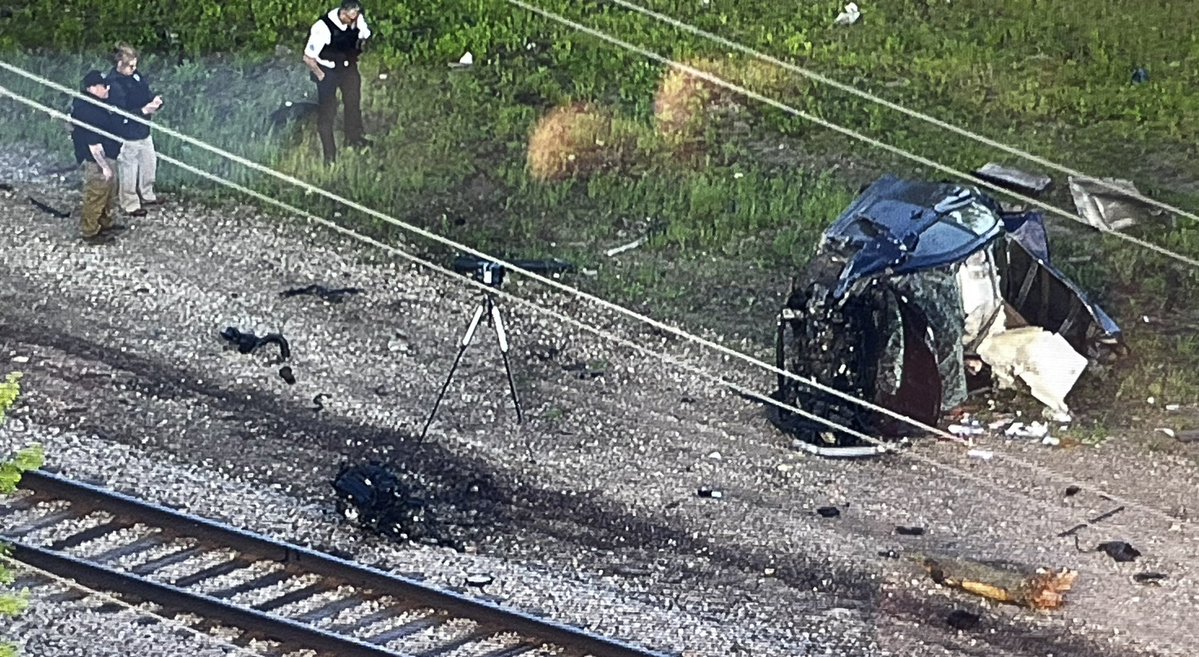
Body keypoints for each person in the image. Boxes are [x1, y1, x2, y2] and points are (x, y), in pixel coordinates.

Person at [303, 0, 372, 163]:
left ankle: (353, 138)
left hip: (348, 68)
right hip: (328, 70)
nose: (355, 21)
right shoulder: (322, 28)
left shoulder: (356, 20)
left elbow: (364, 35)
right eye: (351, 18)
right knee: (328, 111)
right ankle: (329, 155)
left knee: (353, 103)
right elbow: (308, 58)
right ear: (343, 14)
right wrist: (321, 76)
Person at [106, 43, 164, 217]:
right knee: (128, 167)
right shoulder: (114, 84)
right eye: (130, 66)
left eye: (135, 65)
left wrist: (154, 100)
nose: (134, 69)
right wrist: (143, 111)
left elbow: (145, 92)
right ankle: (129, 202)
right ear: (119, 65)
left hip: (143, 128)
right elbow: (120, 113)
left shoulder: (136, 76)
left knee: (149, 162)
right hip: (127, 132)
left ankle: (147, 193)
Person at [69, 70, 123, 243]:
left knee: (109, 192)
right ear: (92, 88)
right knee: (97, 193)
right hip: (97, 160)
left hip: (109, 153)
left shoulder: (96, 103)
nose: (107, 89)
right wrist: (105, 167)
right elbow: (94, 144)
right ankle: (90, 231)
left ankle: (105, 222)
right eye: (103, 86)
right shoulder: (87, 110)